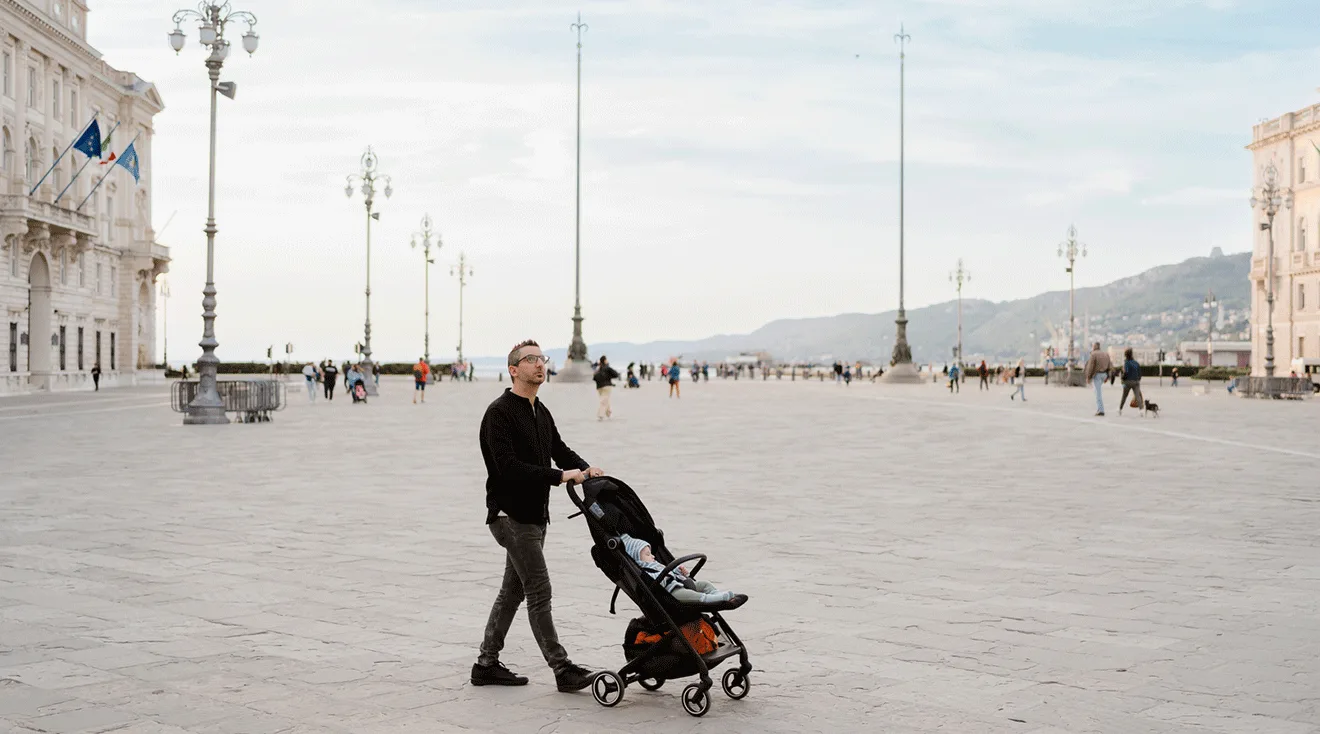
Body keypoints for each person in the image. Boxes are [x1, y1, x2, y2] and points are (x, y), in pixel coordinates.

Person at [472, 339, 600, 692]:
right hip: (510, 516)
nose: (539, 365)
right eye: (530, 360)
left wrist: (587, 470)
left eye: (542, 359)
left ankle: (485, 664)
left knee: (513, 592)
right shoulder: (499, 413)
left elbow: (557, 448)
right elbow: (508, 468)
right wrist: (560, 476)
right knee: (539, 591)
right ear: (514, 369)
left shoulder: (539, 410)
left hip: (534, 516)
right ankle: (562, 669)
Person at [619, 534, 747, 606]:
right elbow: (656, 583)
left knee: (704, 584)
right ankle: (710, 599)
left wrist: (681, 573)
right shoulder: (645, 571)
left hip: (681, 583)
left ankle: (715, 594)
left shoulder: (655, 564)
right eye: (647, 555)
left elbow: (670, 573)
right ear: (637, 559)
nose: (652, 556)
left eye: (651, 553)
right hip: (672, 592)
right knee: (692, 595)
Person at [1082, 342, 1113, 416]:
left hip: (1097, 375)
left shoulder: (1093, 354)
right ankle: (1100, 408)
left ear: (1094, 347)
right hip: (1104, 374)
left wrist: (1088, 377)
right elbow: (1110, 366)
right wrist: (1107, 377)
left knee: (1097, 393)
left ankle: (1101, 410)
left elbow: (1090, 367)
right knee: (1097, 391)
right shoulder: (1106, 354)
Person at [592, 355, 619, 420]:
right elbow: (616, 374)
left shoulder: (598, 369)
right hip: (606, 386)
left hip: (599, 387)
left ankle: (609, 414)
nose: (607, 361)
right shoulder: (607, 368)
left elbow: (594, 378)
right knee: (604, 400)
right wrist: (609, 377)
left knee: (605, 399)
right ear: (604, 360)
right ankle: (600, 415)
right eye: (606, 359)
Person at [1119, 348, 1144, 416]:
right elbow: (1139, 373)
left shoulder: (1126, 363)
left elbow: (1126, 372)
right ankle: (1141, 410)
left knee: (1124, 396)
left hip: (1127, 382)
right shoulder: (1136, 363)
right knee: (1137, 396)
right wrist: (1138, 379)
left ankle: (1120, 409)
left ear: (1125, 355)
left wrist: (1122, 379)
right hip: (1136, 382)